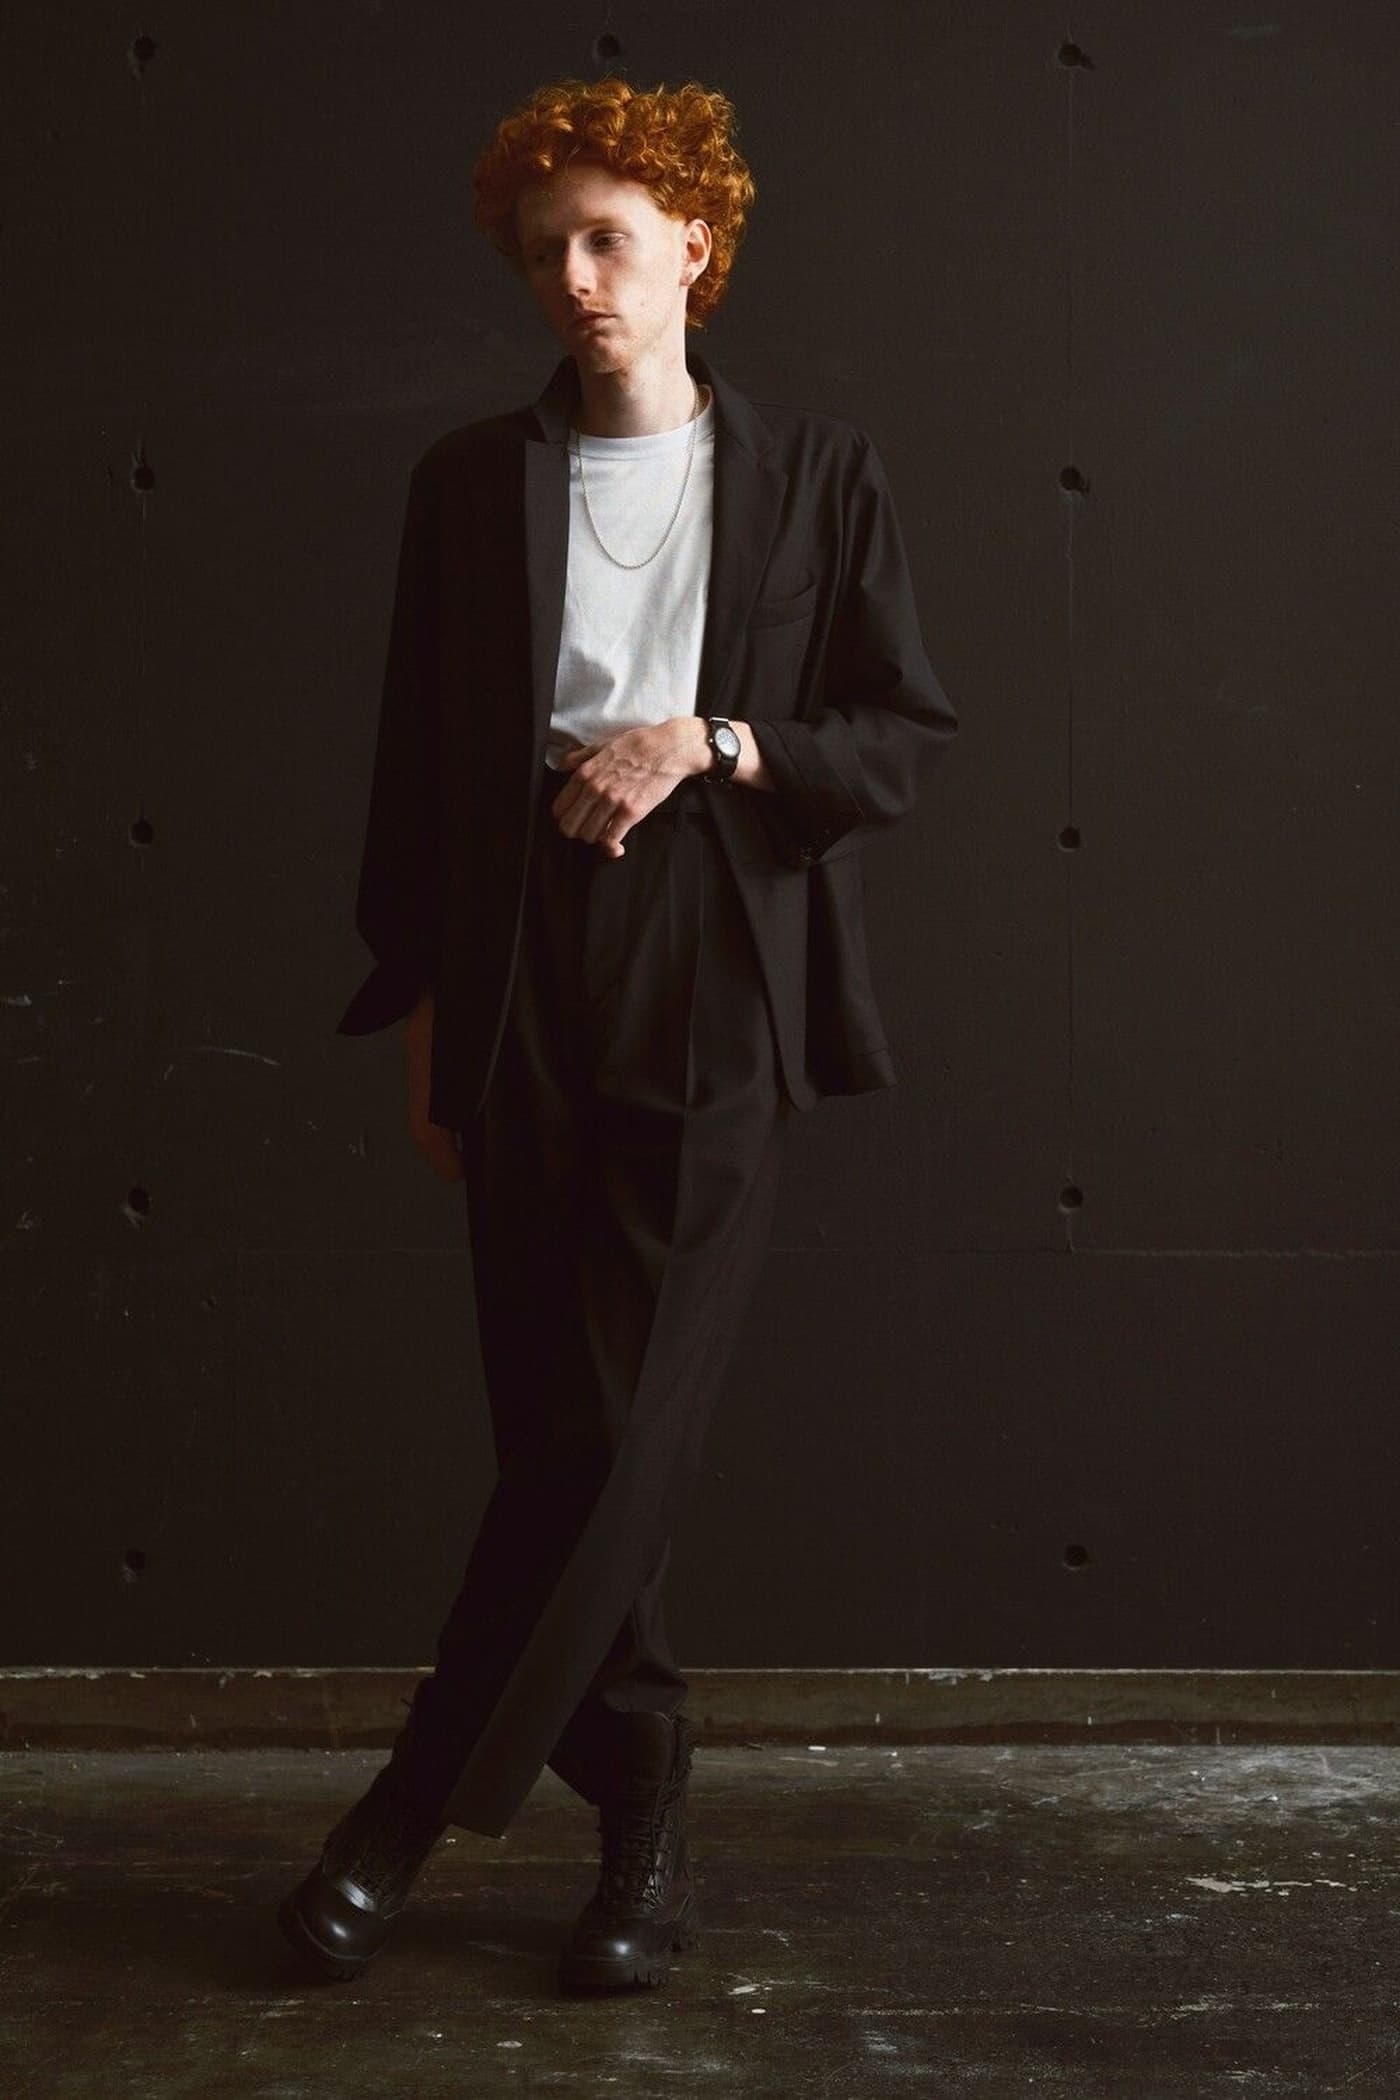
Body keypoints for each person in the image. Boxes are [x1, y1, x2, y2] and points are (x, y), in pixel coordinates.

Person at [277, 73, 958, 1996]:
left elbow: (896, 737)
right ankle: (645, 1806)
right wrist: (426, 1025)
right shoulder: (465, 486)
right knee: (563, 1420)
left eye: (609, 240)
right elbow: (417, 779)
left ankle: (409, 1804)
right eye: (544, 250)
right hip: (517, 956)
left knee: (619, 1413)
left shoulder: (819, 473)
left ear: (694, 248)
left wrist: (720, 739)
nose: (573, 278)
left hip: (714, 945)